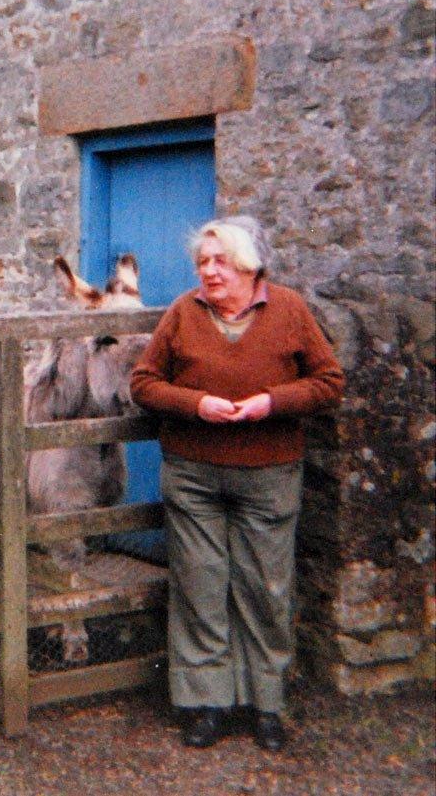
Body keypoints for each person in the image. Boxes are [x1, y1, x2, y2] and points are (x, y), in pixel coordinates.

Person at [130, 216, 343, 753]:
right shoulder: (183, 313)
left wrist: (273, 401)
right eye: (203, 262)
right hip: (194, 474)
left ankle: (266, 704)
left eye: (220, 261)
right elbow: (143, 383)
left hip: (268, 475)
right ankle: (208, 704)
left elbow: (328, 381)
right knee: (200, 589)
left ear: (249, 266)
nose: (209, 271)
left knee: (264, 589)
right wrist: (194, 403)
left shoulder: (289, 310)